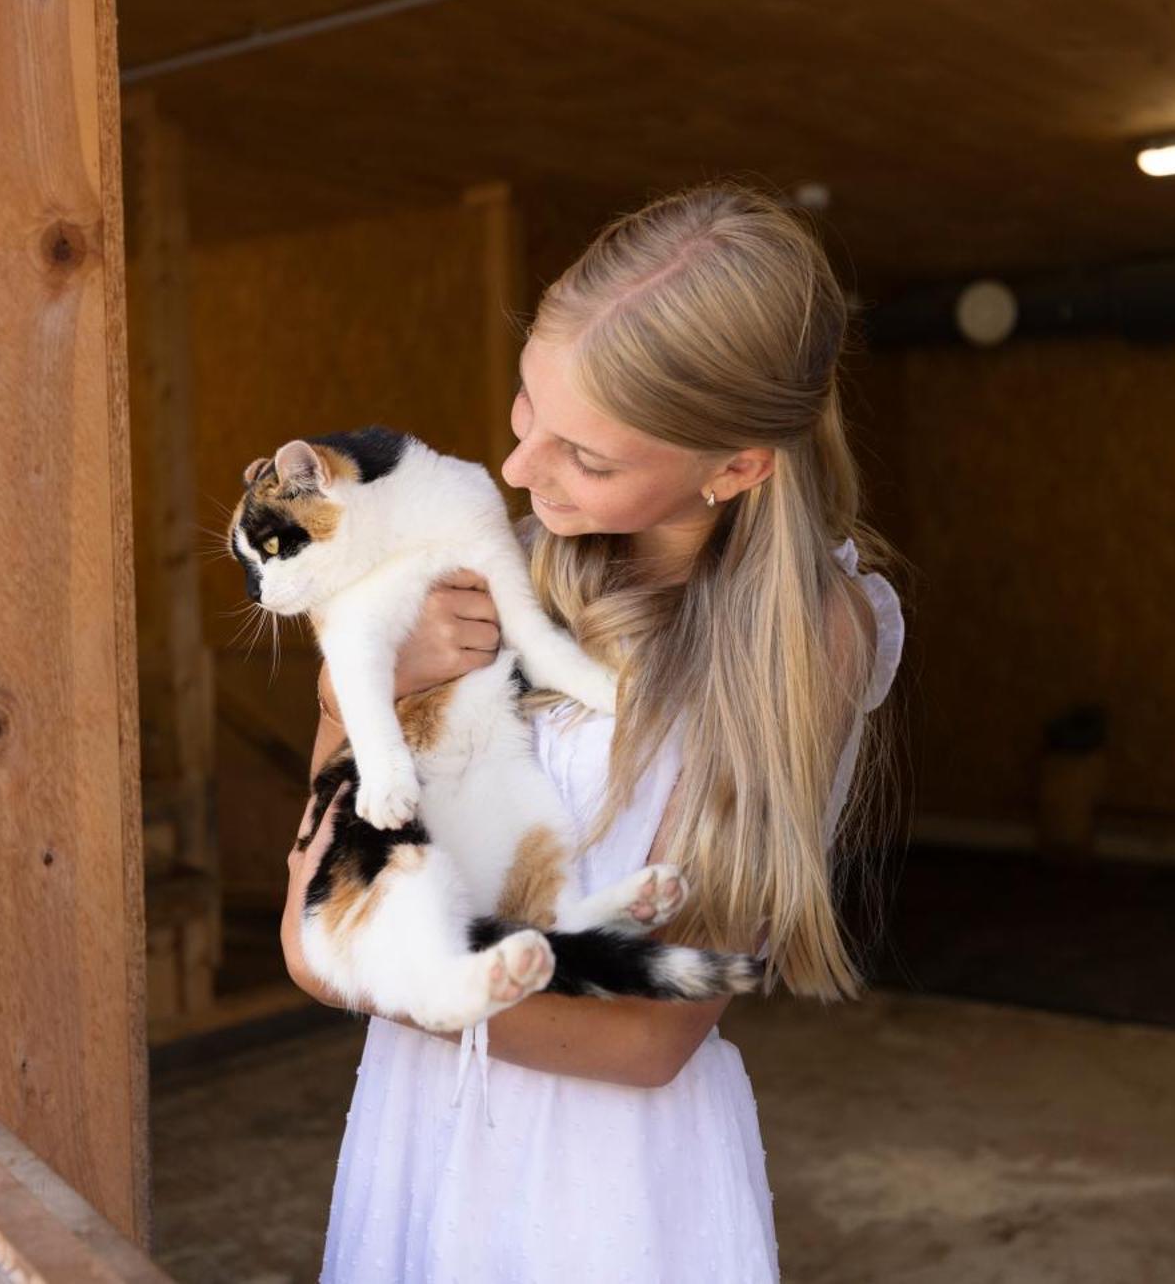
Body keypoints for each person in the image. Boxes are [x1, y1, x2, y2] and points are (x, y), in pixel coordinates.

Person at [280, 183, 906, 1282]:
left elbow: (645, 1031)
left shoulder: (803, 640)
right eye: (529, 411)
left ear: (735, 467)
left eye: (589, 457)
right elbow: (332, 891)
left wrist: (387, 970)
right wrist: (352, 700)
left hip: (600, 1184)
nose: (520, 470)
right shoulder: (492, 564)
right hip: (422, 1118)